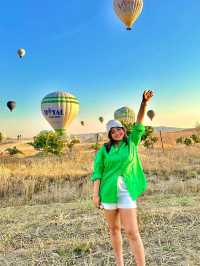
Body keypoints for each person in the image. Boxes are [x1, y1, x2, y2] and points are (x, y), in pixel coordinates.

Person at [91, 90, 154, 266]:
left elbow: (140, 123)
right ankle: (120, 263)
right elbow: (97, 173)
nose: (117, 132)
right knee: (114, 229)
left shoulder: (132, 142)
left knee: (132, 232)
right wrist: (95, 195)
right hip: (108, 192)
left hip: (126, 192)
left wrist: (144, 103)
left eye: (119, 129)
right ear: (109, 134)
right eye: (113, 131)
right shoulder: (104, 150)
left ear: (123, 130)